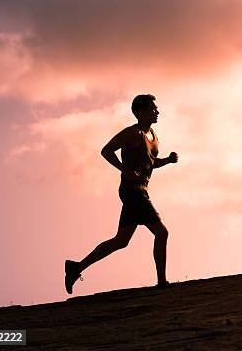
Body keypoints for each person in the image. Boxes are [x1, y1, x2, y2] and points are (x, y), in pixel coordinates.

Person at [64, 94, 179, 294]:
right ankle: (162, 283)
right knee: (162, 232)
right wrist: (124, 169)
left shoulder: (153, 136)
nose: (157, 112)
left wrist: (167, 161)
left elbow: (151, 163)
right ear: (140, 112)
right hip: (132, 192)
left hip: (139, 191)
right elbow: (106, 150)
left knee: (121, 241)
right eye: (153, 109)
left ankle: (76, 267)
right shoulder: (132, 133)